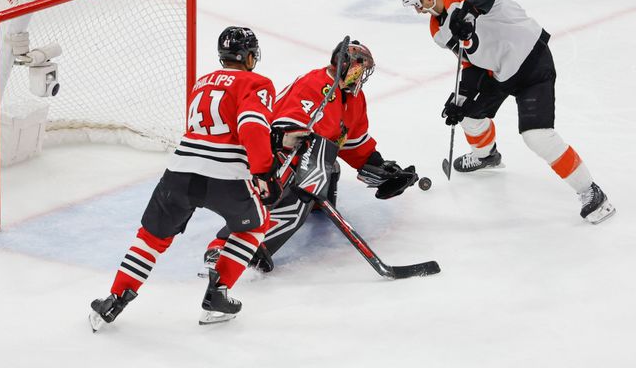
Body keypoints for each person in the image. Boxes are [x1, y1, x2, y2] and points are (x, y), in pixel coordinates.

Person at [89, 26, 280, 328]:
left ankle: (113, 301)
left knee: (151, 237)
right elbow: (252, 126)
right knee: (256, 225)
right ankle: (218, 294)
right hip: (226, 175)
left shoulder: (201, 83)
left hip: (180, 171)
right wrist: (263, 171)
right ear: (250, 56)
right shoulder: (257, 82)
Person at [398, 0, 615, 224]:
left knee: (537, 136)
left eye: (418, 4)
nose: (419, 11)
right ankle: (486, 155)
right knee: (467, 115)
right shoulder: (437, 29)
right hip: (499, 72)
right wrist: (462, 97)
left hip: (532, 59)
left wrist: (468, 13)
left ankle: (592, 192)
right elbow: (470, 62)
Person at [203, 40, 419, 273]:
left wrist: (380, 168)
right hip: (271, 154)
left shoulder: (355, 98)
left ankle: (313, 204)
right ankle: (226, 246)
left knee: (328, 168)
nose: (362, 76)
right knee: (295, 203)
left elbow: (354, 143)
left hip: (302, 155)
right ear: (344, 65)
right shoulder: (315, 84)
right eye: (360, 69)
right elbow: (283, 129)